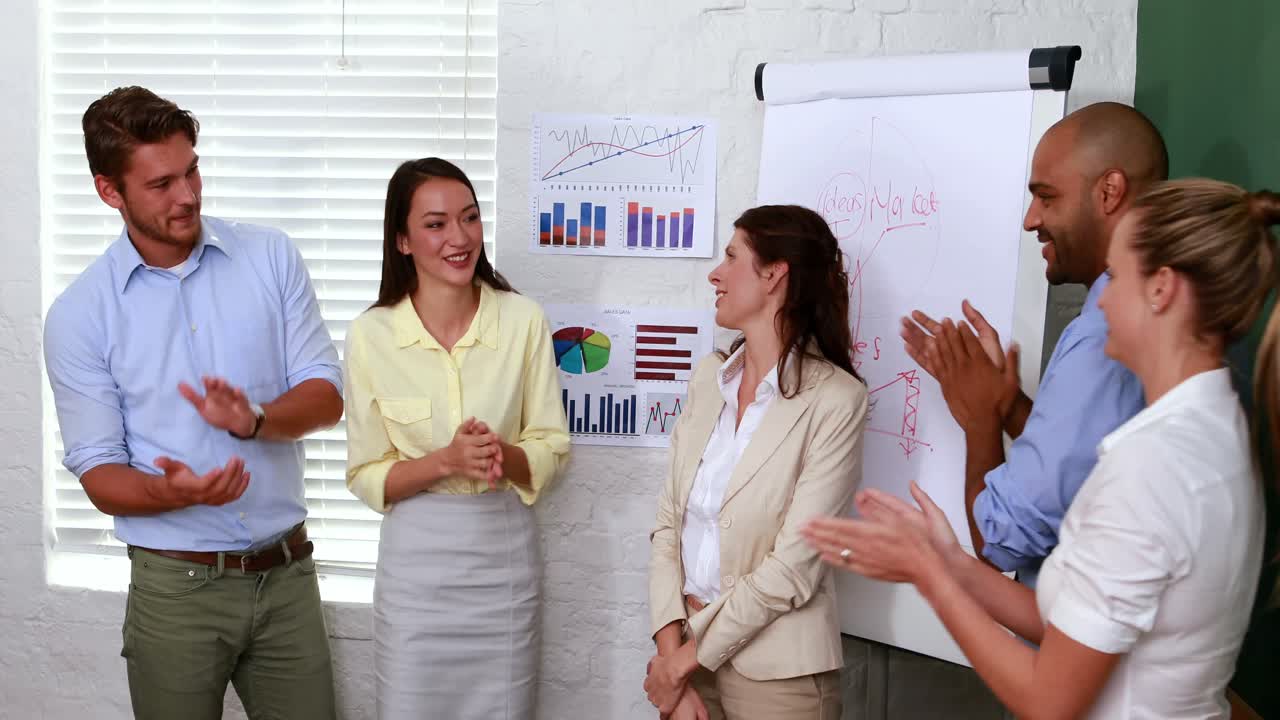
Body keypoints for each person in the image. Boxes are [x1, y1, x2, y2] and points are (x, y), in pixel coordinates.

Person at [806, 179, 1280, 718]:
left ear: (1161, 289)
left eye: (1116, 276)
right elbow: (1073, 625)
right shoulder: (1215, 426)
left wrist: (927, 574)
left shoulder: (1154, 465)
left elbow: (1049, 700)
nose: (1101, 297)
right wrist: (950, 561)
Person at [43, 86, 343, 719]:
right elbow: (99, 472)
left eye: (192, 170)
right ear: (109, 192)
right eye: (161, 184)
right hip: (174, 590)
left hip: (287, 574)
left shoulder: (270, 257)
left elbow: (325, 396)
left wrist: (258, 419)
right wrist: (173, 493)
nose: (188, 195)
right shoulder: (80, 316)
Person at [899, 102, 1165, 587]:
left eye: (1047, 197)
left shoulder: (1103, 337)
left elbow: (1000, 541)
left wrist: (980, 419)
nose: (1030, 219)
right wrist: (1006, 404)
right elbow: (1094, 458)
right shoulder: (1151, 309)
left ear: (1109, 193)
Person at [343, 157, 570, 719]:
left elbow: (550, 446)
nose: (460, 237)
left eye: (469, 218)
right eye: (437, 224)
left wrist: (502, 456)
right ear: (402, 239)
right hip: (416, 574)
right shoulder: (372, 335)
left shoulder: (522, 320)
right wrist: (446, 461)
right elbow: (366, 473)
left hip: (503, 567)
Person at [645, 205, 868, 720]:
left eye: (730, 257)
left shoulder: (835, 400)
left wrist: (681, 662)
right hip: (685, 658)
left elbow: (793, 569)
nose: (714, 273)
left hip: (778, 679)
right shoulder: (709, 379)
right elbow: (666, 529)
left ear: (774, 275)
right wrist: (670, 657)